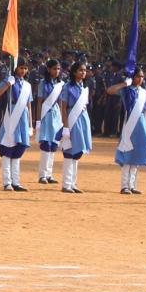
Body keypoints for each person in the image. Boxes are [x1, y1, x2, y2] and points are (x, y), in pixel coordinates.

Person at [0, 57, 32, 191]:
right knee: (8, 149)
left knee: (18, 150)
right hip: (11, 115)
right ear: (15, 68)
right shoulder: (9, 80)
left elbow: (29, 104)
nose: (23, 70)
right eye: (21, 67)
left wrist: (31, 124)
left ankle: (16, 181)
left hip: (23, 117)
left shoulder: (27, 85)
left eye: (25, 68)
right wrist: (7, 85)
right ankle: (7, 182)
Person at [108, 67, 146, 194]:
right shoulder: (126, 90)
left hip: (141, 123)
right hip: (129, 123)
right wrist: (124, 83)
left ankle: (132, 185)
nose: (140, 79)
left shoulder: (144, 92)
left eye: (142, 77)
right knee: (127, 152)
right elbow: (110, 91)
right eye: (138, 76)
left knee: (137, 154)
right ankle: (124, 186)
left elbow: (145, 111)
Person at [57, 61, 93, 194]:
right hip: (71, 118)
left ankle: (73, 183)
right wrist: (65, 126)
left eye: (84, 70)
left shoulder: (84, 87)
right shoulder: (68, 87)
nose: (83, 72)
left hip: (82, 119)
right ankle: (66, 184)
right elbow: (63, 106)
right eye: (80, 70)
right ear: (73, 72)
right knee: (69, 151)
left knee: (78, 152)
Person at [35, 59, 65, 185]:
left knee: (53, 145)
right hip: (45, 115)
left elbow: (61, 102)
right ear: (48, 69)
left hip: (56, 115)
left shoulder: (60, 84)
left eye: (58, 69)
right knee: (45, 145)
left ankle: (49, 174)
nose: (56, 71)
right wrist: (37, 121)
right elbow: (39, 102)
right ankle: (42, 175)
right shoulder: (43, 83)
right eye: (54, 69)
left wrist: (62, 120)